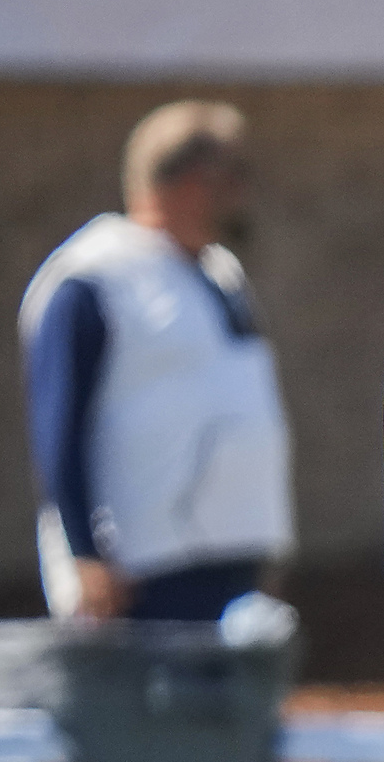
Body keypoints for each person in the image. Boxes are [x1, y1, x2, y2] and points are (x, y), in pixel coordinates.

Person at [22, 101, 291, 621]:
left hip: (232, 555)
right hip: (143, 567)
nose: (242, 192)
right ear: (187, 180)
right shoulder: (94, 278)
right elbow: (58, 426)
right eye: (232, 175)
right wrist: (83, 555)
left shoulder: (220, 271)